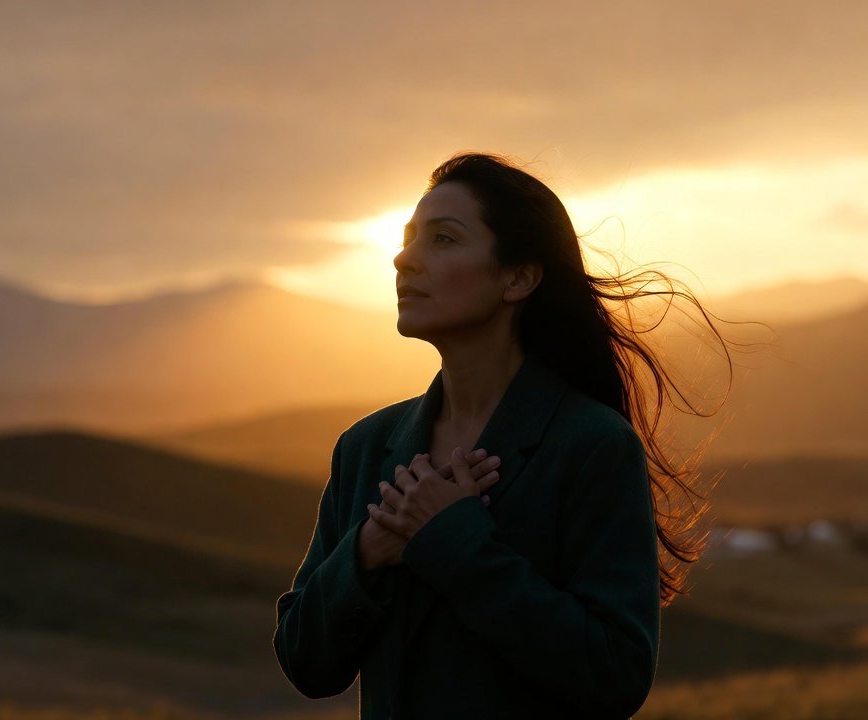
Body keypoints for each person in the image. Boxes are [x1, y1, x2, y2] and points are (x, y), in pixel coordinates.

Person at [273, 152, 729, 718]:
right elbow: (306, 664)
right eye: (410, 238)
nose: (403, 259)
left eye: (442, 240)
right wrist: (368, 551)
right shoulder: (366, 448)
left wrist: (456, 542)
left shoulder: (591, 445)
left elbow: (615, 673)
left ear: (518, 277)